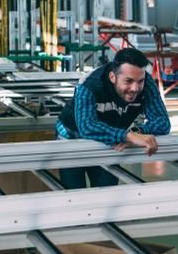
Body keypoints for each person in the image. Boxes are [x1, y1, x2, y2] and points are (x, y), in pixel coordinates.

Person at [56, 48, 170, 188]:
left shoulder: (146, 83)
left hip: (111, 140)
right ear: (112, 77)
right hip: (72, 136)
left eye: (139, 81)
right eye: (128, 81)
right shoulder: (90, 84)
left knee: (107, 194)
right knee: (73, 196)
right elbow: (87, 127)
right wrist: (128, 136)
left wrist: (137, 132)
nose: (135, 88)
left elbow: (163, 122)